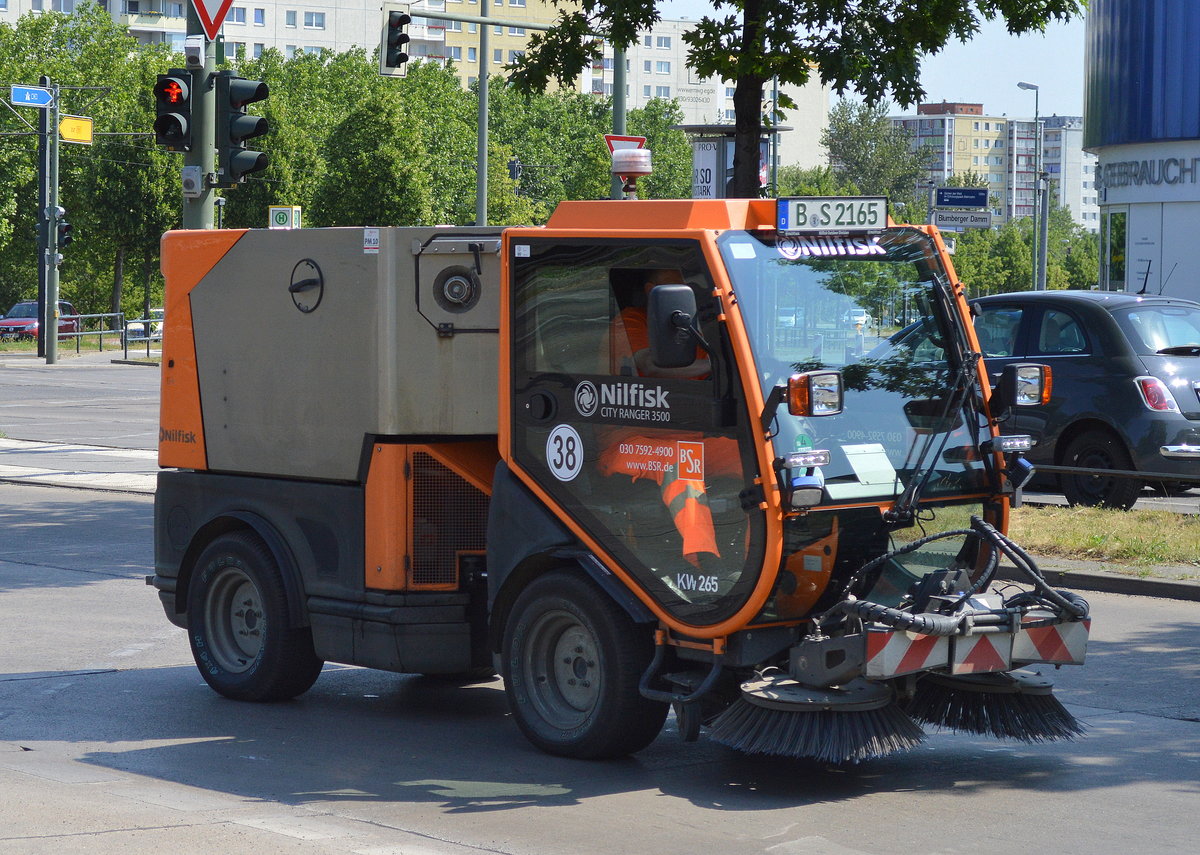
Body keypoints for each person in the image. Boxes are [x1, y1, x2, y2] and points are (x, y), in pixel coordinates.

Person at [597, 269, 738, 569]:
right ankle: (703, 561)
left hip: (689, 432)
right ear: (653, 292)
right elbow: (651, 365)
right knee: (680, 459)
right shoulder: (631, 322)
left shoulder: (690, 328)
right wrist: (719, 365)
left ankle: (762, 555)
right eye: (677, 285)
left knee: (748, 455)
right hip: (627, 440)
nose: (688, 288)